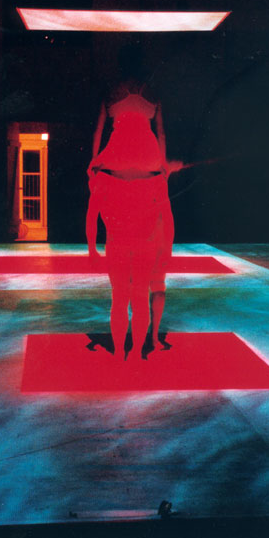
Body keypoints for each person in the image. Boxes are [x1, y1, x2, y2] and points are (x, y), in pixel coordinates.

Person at [86, 46, 178, 360]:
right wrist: (162, 163)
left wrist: (93, 160)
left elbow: (98, 128)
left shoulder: (111, 90)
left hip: (119, 155)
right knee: (138, 293)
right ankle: (137, 350)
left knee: (120, 296)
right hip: (148, 157)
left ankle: (120, 354)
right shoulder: (153, 91)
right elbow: (161, 132)